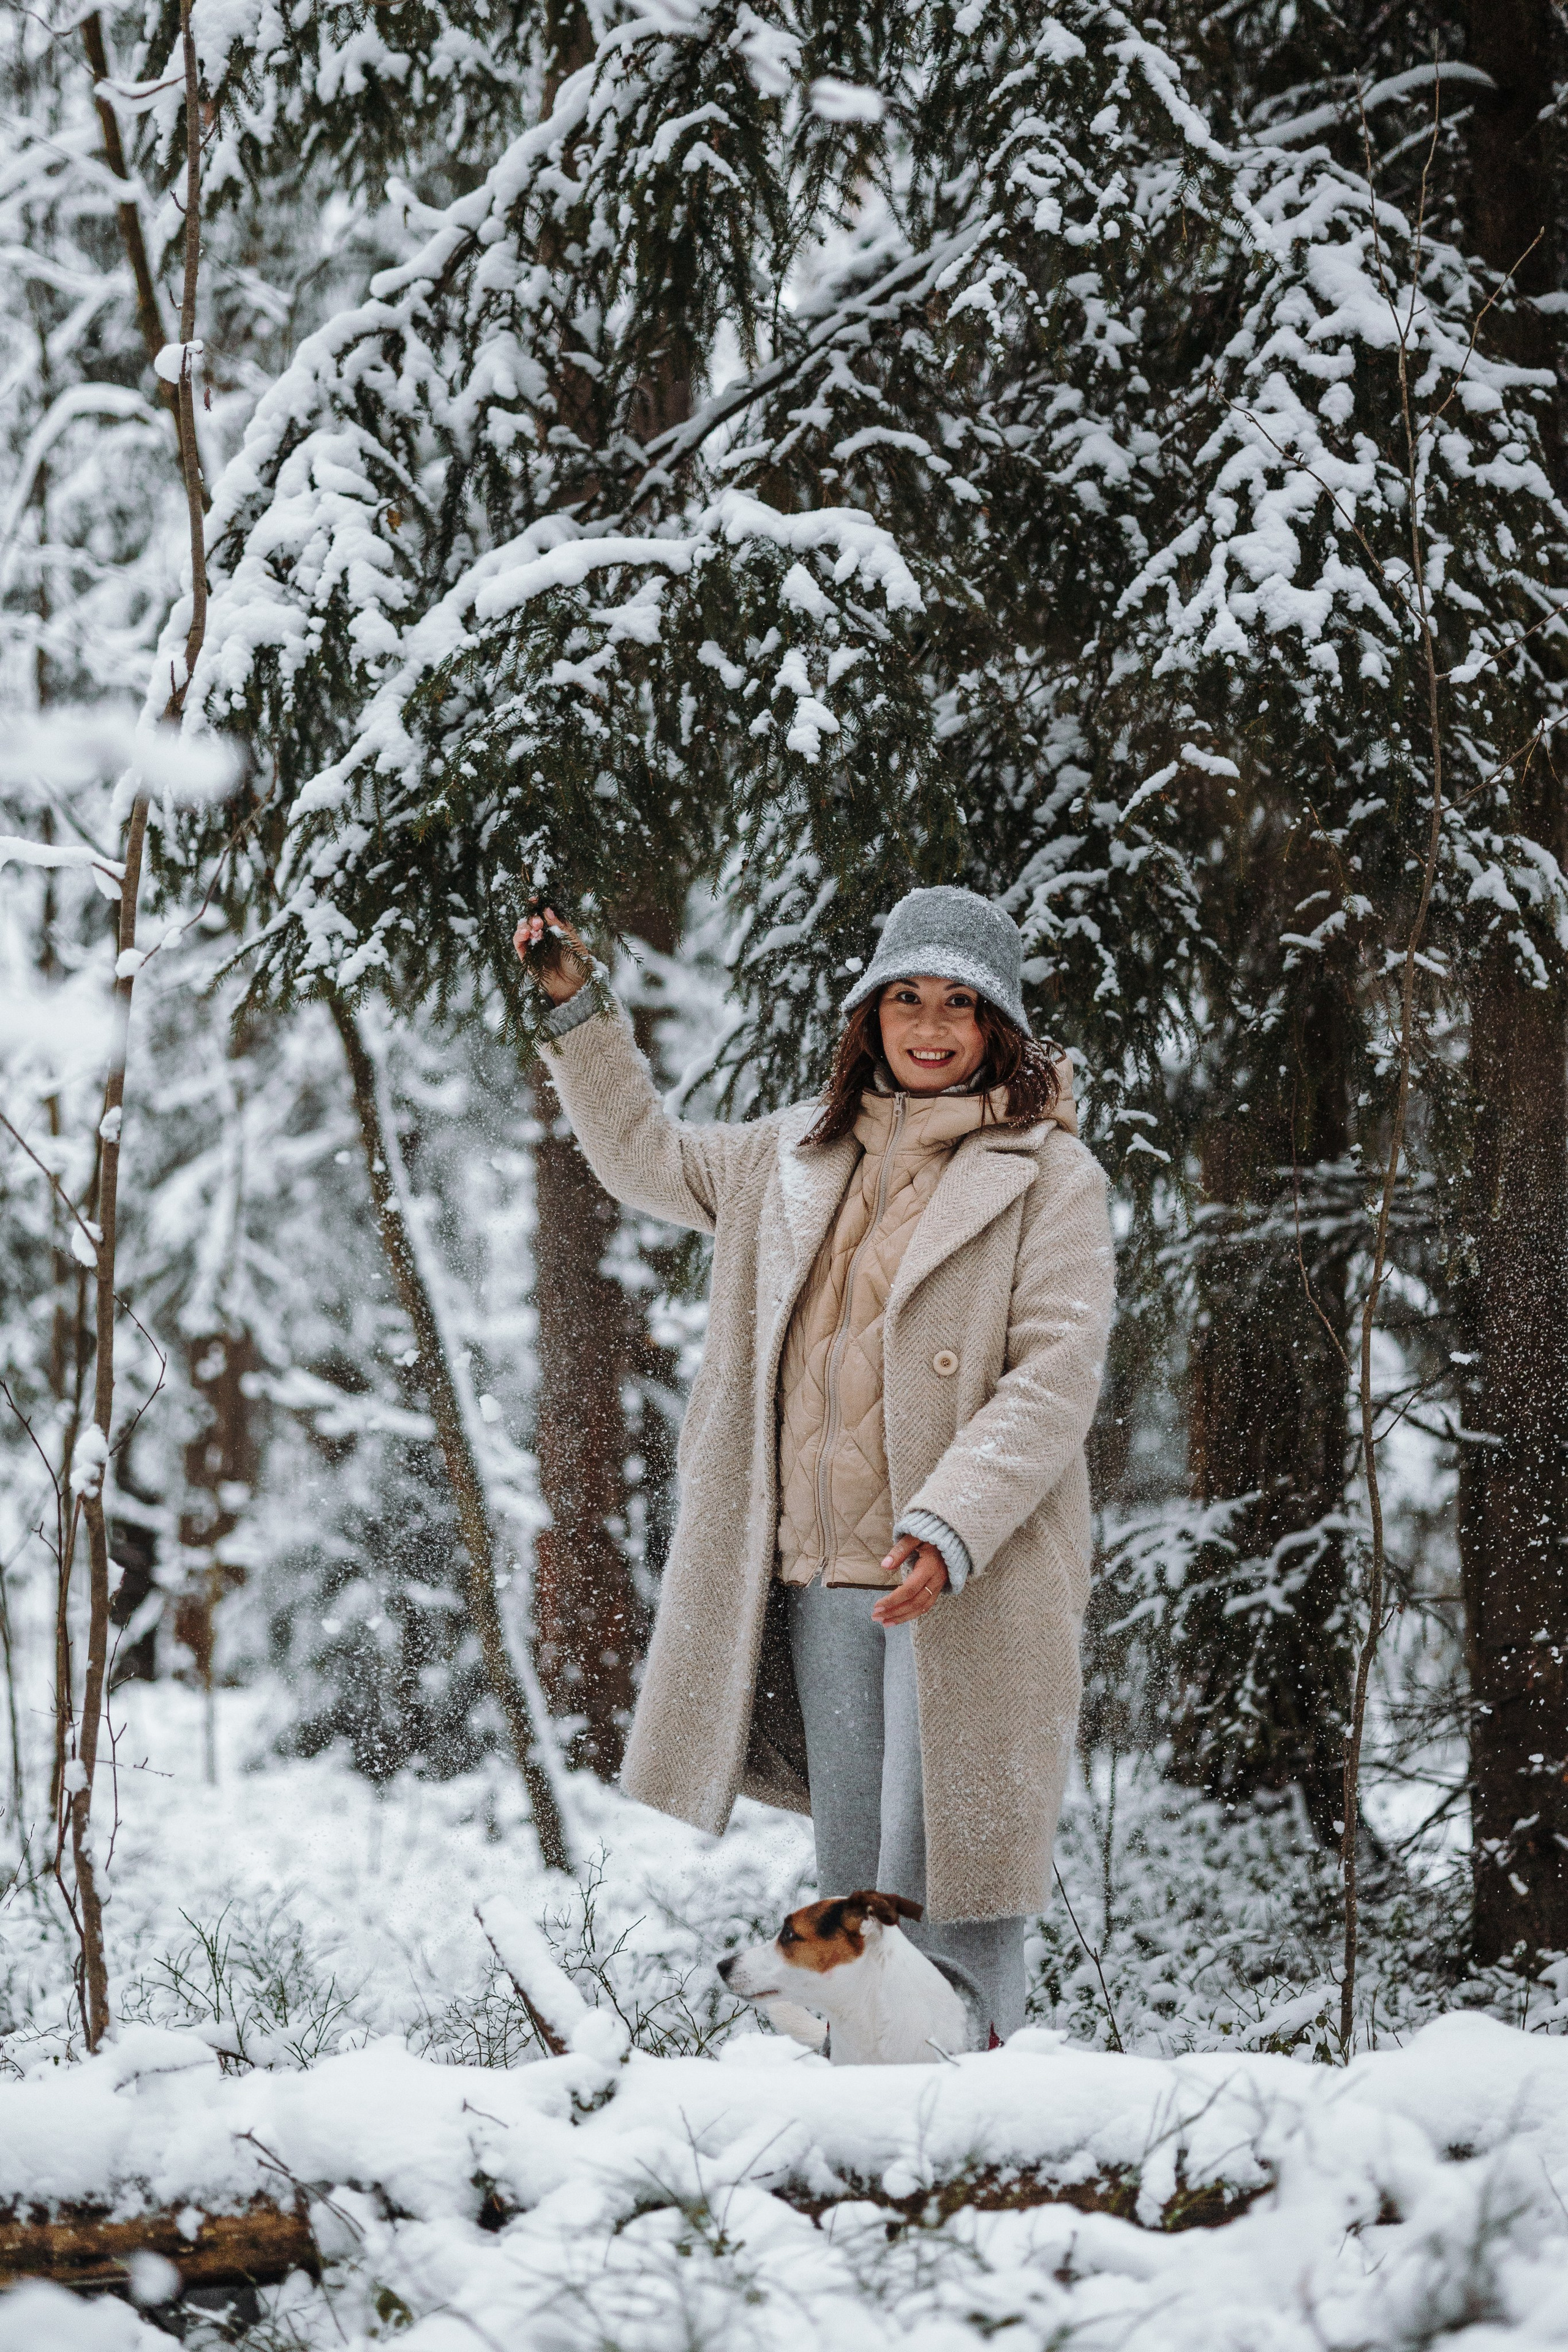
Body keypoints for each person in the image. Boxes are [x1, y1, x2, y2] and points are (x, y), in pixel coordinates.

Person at [515, 885, 1114, 2042]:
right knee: (859, 1886)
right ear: (871, 1015)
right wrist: (580, 1015)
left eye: (959, 1004)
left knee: (959, 1869)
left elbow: (1054, 1374)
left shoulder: (1049, 1177)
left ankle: (984, 2109)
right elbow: (641, 1157)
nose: (929, 1025)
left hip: (966, 1576)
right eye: (906, 998)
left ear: (998, 1027)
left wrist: (950, 1526)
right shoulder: (786, 1158)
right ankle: (869, 2109)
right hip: (824, 1575)